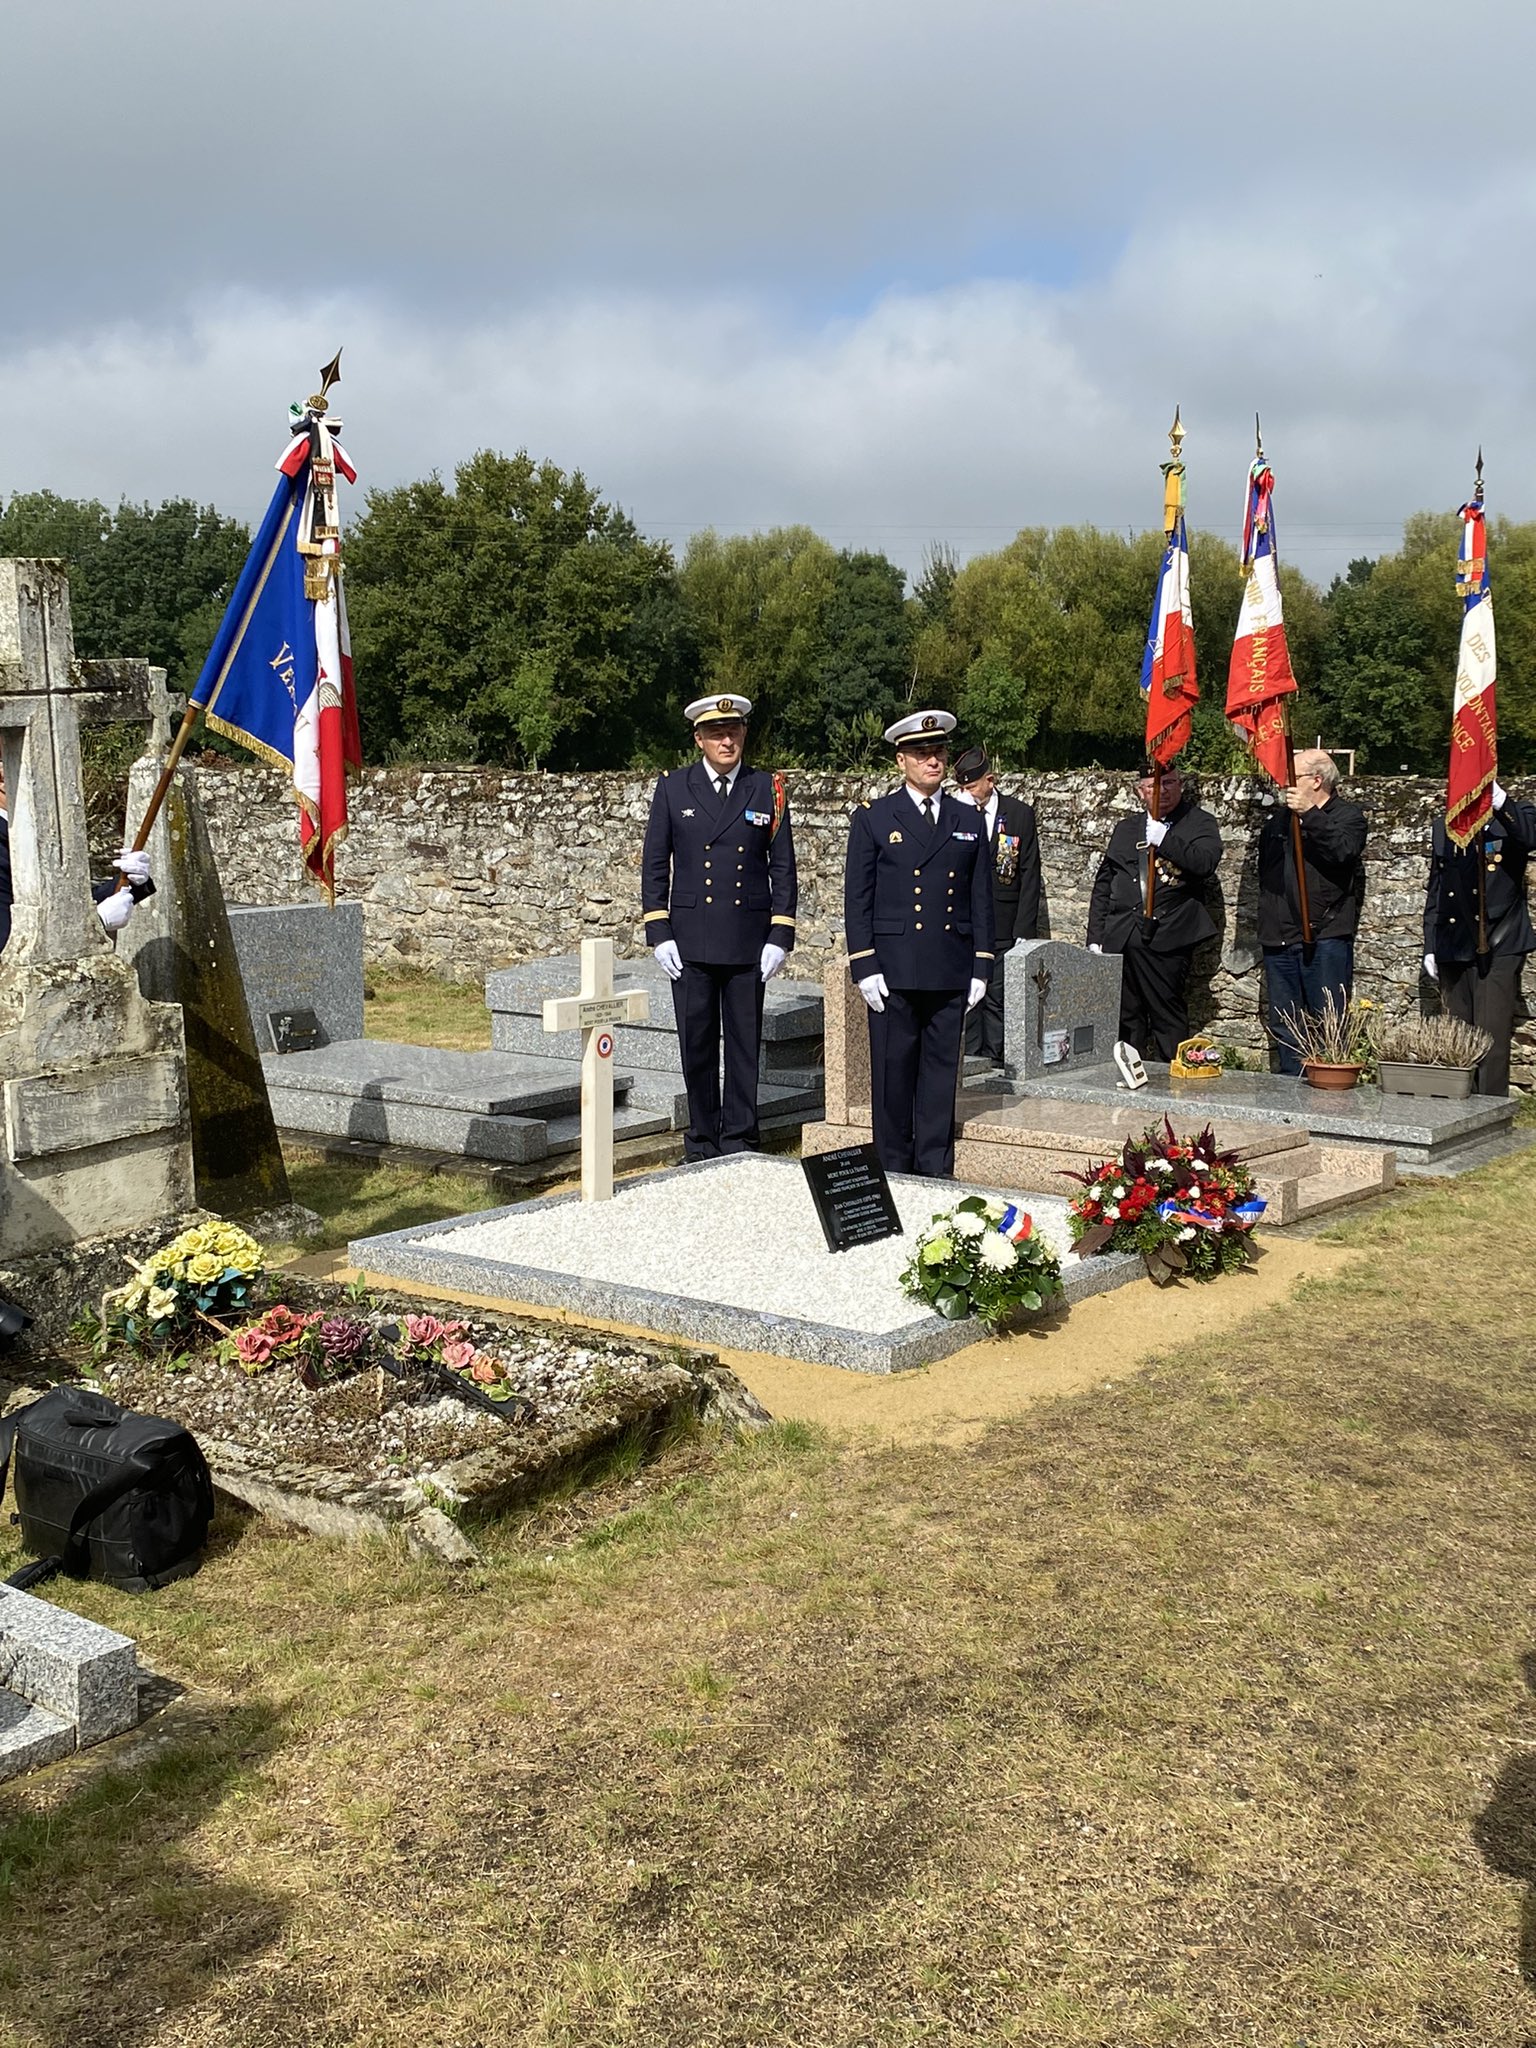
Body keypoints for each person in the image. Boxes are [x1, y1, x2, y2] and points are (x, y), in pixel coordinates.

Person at [641, 693, 797, 1160]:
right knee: (698, 1044)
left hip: (748, 939)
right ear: (699, 739)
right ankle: (702, 1140)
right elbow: (655, 865)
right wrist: (659, 929)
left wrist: (780, 933)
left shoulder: (766, 788)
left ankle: (742, 1138)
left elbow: (783, 867)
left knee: (745, 1045)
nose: (725, 740)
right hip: (690, 939)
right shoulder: (673, 788)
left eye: (733, 731)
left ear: (744, 734)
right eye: (715, 733)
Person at [844, 710, 993, 1178]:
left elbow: (981, 897)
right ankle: (891, 1167)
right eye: (922, 753)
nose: (934, 760)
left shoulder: (966, 816)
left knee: (939, 1075)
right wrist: (864, 964)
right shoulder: (875, 817)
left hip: (949, 964)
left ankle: (933, 1168)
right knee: (892, 1075)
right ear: (901, 759)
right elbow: (858, 896)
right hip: (894, 968)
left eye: (940, 751)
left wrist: (982, 965)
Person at [1087, 762, 1222, 1062]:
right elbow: (1105, 883)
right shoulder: (1126, 828)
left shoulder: (1199, 822)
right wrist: (1095, 937)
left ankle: (1169, 1087)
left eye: (1169, 783)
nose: (1161, 791)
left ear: (1180, 785)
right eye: (1152, 786)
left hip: (1167, 936)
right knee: (1126, 1017)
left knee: (1166, 1017)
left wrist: (1166, 840)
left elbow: (1205, 863)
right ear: (1139, 791)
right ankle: (1129, 1076)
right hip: (1121, 935)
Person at [1257, 749, 1368, 1075]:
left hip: (1324, 936)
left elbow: (1343, 852)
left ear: (1317, 780)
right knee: (1285, 1022)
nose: (1285, 786)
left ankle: (1328, 1093)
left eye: (1294, 778)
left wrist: (1311, 816)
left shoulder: (1348, 816)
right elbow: (1267, 872)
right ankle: (1292, 1089)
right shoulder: (1278, 821)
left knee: (1328, 1022)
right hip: (1280, 936)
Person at [1423, 779, 1536, 1096]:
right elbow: (1437, 887)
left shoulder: (1514, 815)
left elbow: (1529, 838)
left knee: (1489, 1039)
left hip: (1497, 942)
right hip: (1453, 941)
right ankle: (1458, 1108)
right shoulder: (1444, 825)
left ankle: (1489, 1111)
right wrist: (1431, 943)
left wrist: (1500, 802)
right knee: (1457, 1038)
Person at [950, 744, 1042, 1067]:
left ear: (990, 780)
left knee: (998, 996)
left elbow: (1030, 874)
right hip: (967, 922)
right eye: (961, 787)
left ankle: (997, 1058)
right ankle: (973, 1059)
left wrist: (1024, 929)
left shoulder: (1018, 815)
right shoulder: (954, 814)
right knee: (970, 998)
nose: (967, 793)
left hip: (1004, 922)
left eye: (971, 786)